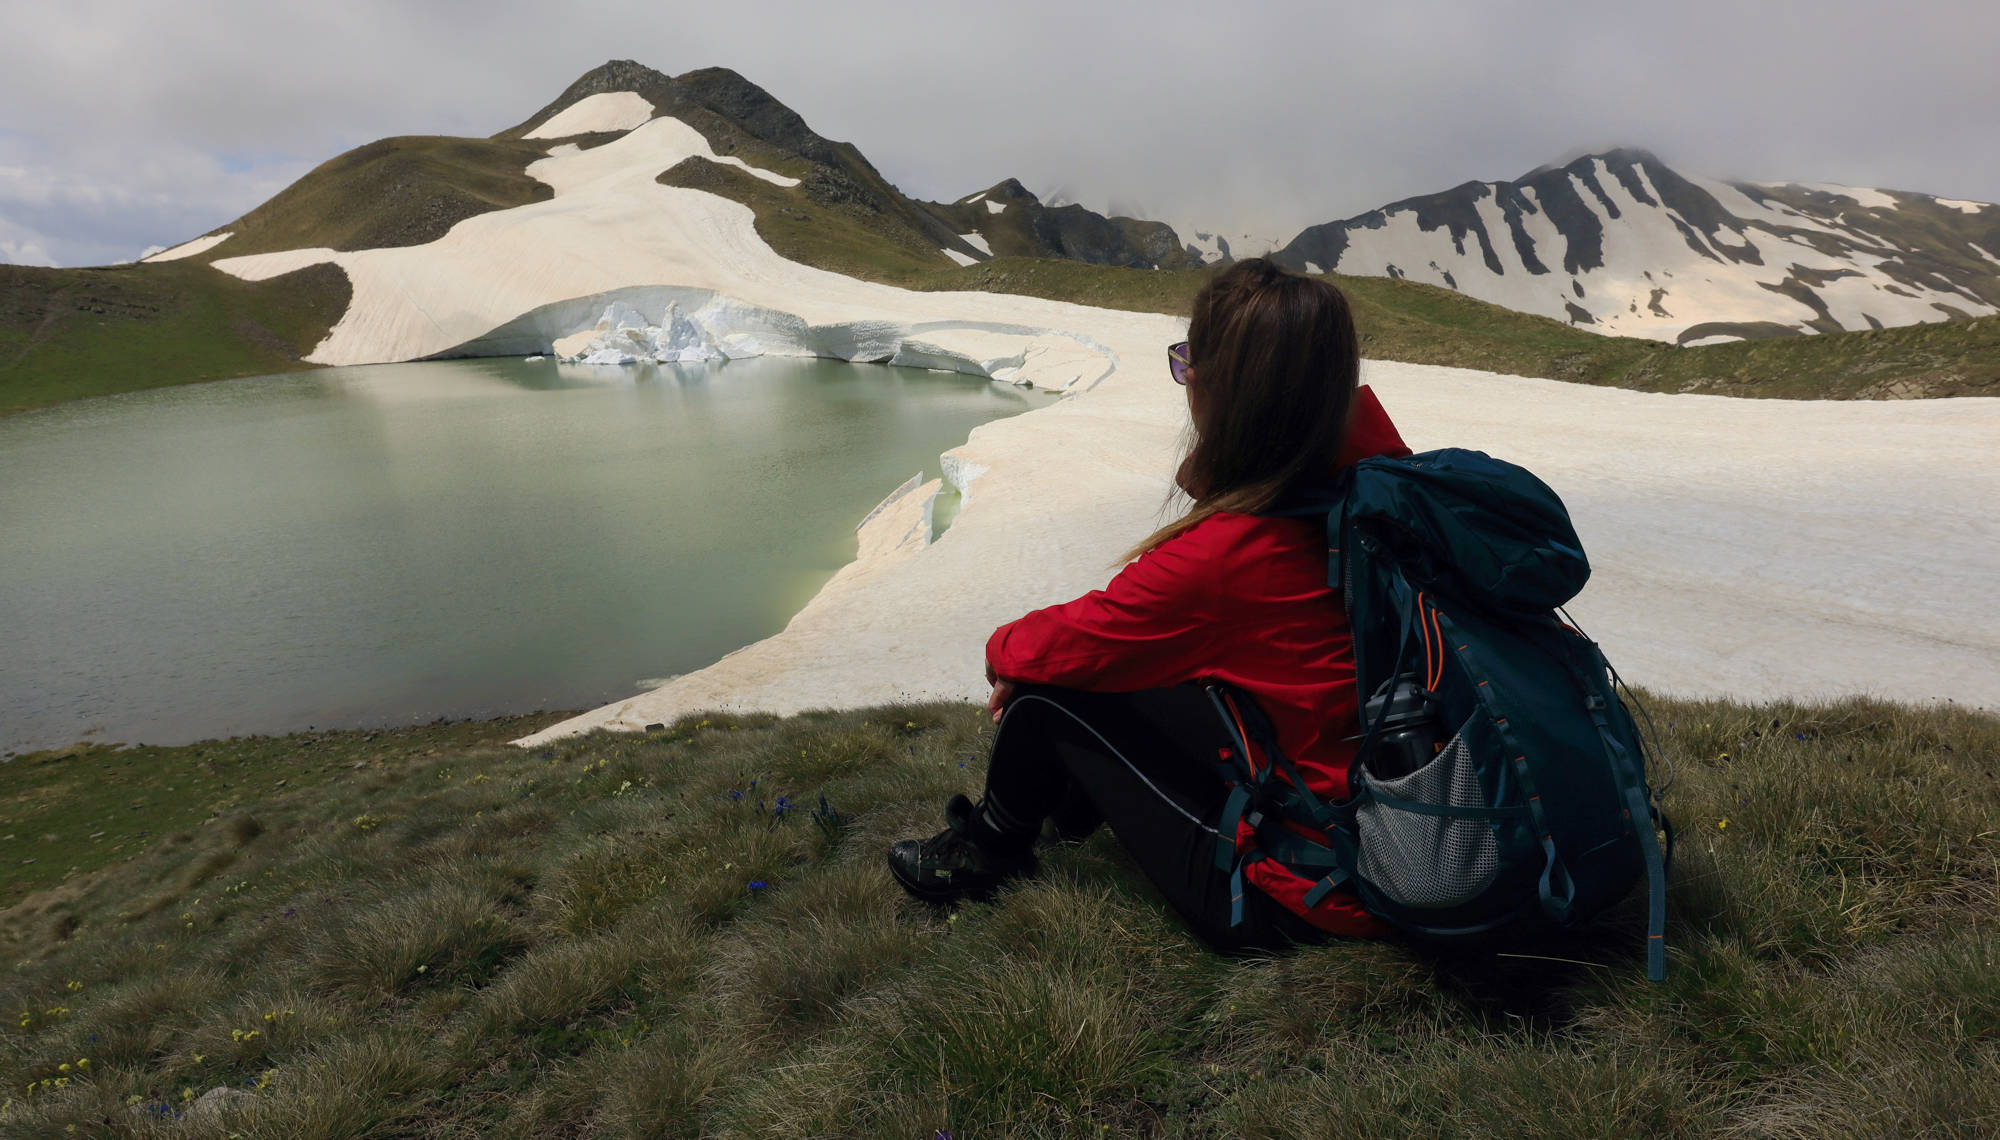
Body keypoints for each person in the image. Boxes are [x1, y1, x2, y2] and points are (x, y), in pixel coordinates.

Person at [887, 258, 1412, 952]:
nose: (1185, 376)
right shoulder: (1382, 482)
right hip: (1402, 824)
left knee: (1046, 697)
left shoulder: (1236, 549)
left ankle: (989, 851)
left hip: (1319, 894)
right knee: (1152, 673)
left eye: (1190, 360)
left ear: (1224, 390)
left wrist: (1013, 660)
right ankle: (1060, 810)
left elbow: (1048, 646)